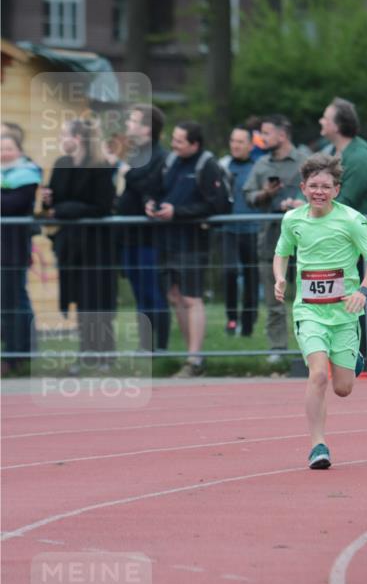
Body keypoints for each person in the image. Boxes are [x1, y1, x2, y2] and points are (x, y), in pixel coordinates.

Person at [273, 154, 367, 469]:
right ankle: (317, 445)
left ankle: (350, 360)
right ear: (303, 188)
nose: (318, 192)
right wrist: (280, 277)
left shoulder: (351, 219)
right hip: (309, 312)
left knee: (343, 388)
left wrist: (363, 291)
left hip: (345, 313)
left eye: (325, 186)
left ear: (336, 190)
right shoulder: (293, 220)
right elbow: (281, 253)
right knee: (318, 375)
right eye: (313, 186)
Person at [146, 121, 230, 378]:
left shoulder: (207, 165)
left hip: (193, 241)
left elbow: (217, 206)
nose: (174, 144)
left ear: (194, 144)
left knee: (192, 298)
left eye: (180, 141)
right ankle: (190, 356)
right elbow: (154, 189)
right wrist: (150, 203)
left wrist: (178, 212)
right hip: (167, 239)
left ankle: (195, 359)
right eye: (174, 139)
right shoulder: (170, 162)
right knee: (175, 296)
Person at [42, 118, 117, 370]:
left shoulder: (100, 166)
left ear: (78, 139)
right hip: (70, 244)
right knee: (79, 300)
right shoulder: (61, 164)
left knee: (97, 298)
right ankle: (86, 353)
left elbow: (102, 207)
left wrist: (63, 208)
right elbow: (53, 207)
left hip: (96, 244)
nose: (61, 138)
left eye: (64, 133)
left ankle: (104, 354)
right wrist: (47, 200)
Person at [319, 97, 367, 355]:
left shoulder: (359, 157)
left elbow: (345, 201)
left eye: (325, 117)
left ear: (337, 125)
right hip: (342, 239)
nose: (321, 121)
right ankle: (341, 350)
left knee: (355, 293)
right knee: (337, 294)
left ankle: (359, 353)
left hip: (358, 239)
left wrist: (311, 208)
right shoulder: (334, 153)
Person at [243, 115, 307, 362]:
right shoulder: (261, 165)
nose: (262, 138)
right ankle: (278, 348)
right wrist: (264, 194)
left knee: (309, 297)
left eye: (266, 133)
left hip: (304, 240)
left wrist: (299, 204)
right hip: (270, 239)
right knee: (274, 298)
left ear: (282, 135)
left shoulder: (305, 161)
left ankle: (310, 347)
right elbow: (248, 196)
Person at [106, 104, 169, 351]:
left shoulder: (158, 156)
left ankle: (160, 346)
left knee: (153, 292)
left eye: (133, 121)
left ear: (147, 128)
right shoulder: (135, 154)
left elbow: (149, 186)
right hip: (129, 235)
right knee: (140, 294)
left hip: (148, 237)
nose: (128, 125)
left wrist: (123, 170)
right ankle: (146, 346)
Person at [1, 131, 41, 374]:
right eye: (1, 148)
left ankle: (17, 354)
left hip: (13, 248)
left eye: (9, 148)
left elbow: (11, 205)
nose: (5, 153)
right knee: (8, 302)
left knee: (14, 302)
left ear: (19, 150)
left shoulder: (26, 174)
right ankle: (17, 351)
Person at [219, 125, 260, 337]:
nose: (235, 145)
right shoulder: (223, 165)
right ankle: (232, 319)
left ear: (250, 145)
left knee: (252, 275)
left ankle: (249, 322)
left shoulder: (258, 167)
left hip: (253, 229)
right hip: (229, 229)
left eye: (240, 141)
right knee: (230, 272)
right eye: (233, 141)